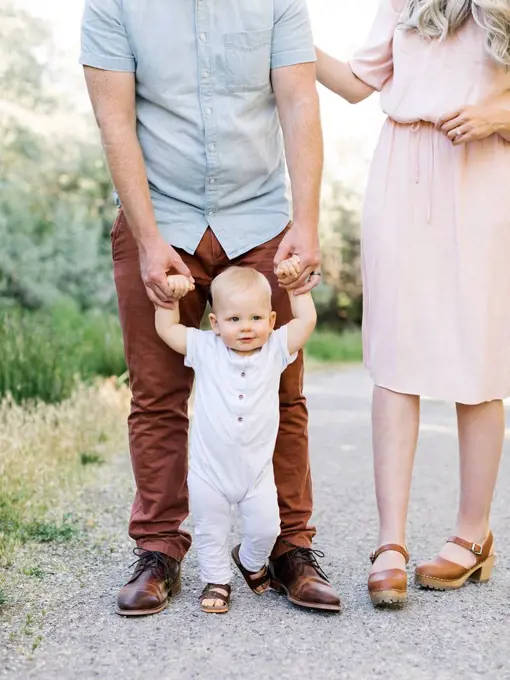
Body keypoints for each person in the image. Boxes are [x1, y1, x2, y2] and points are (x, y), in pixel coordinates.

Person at [80, 0, 341, 615]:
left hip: (260, 218)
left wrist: (305, 221)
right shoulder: (111, 5)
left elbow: (300, 100)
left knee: (282, 391)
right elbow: (114, 121)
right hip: (159, 218)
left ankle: (288, 546)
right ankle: (160, 547)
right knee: (157, 394)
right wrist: (147, 240)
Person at [316, 0, 510, 606]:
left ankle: (472, 536)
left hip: (483, 173)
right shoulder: (403, 2)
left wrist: (496, 111)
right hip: (401, 170)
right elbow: (355, 82)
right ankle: (390, 544)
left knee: (477, 359)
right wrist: (282, 26)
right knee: (395, 354)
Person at [154, 259, 324, 614]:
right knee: (210, 530)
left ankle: (249, 560)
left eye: (256, 319)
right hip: (208, 473)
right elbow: (168, 330)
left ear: (272, 321)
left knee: (267, 528)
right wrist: (166, 301)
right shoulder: (205, 348)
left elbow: (306, 321)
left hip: (256, 474)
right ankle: (217, 581)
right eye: (234, 320)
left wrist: (295, 289)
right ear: (215, 323)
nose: (246, 328)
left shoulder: (275, 350)